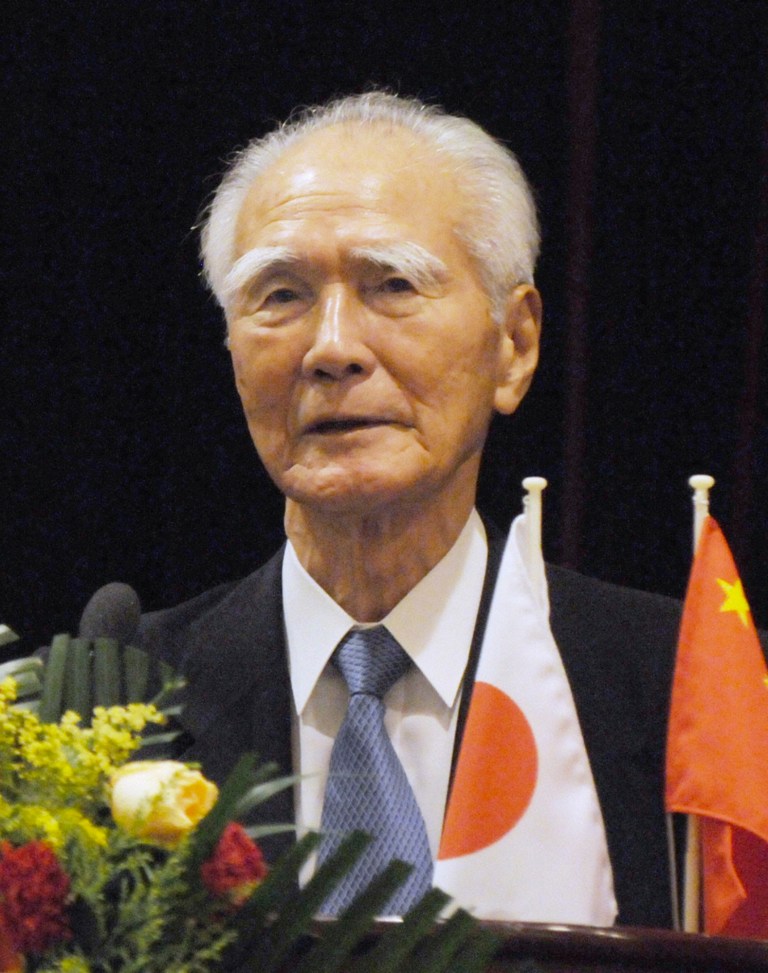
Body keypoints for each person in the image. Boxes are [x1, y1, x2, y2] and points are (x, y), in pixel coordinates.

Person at [137, 92, 682, 928]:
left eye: (391, 284)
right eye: (280, 294)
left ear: (515, 343)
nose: (331, 348)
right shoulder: (127, 702)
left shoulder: (682, 690)